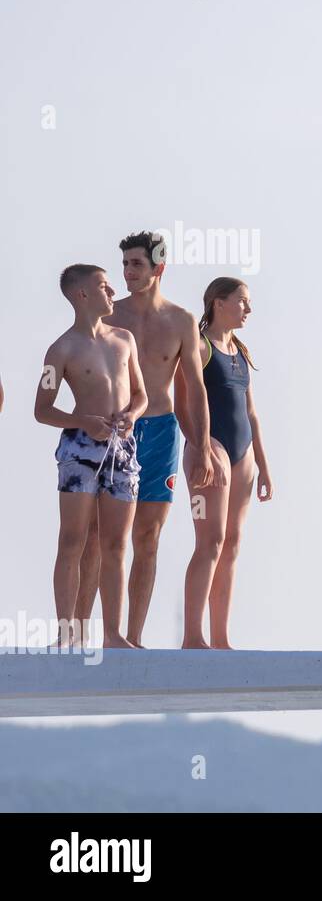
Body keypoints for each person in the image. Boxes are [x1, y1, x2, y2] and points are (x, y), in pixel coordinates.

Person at [77, 231, 218, 648]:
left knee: (148, 538)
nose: (127, 273)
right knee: (96, 537)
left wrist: (205, 446)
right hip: (113, 433)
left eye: (136, 264)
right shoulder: (109, 315)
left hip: (160, 431)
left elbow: (194, 386)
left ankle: (132, 639)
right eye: (124, 264)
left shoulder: (181, 321)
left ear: (159, 268)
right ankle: (82, 634)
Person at [34, 265, 147, 649]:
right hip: (80, 450)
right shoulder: (60, 349)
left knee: (116, 544)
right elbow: (42, 409)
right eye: (104, 286)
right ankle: (66, 634)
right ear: (82, 294)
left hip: (121, 449)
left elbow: (141, 395)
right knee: (72, 540)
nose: (113, 291)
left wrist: (131, 415)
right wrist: (81, 421)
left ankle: (113, 634)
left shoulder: (125, 340)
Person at [182, 278, 273, 649]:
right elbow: (181, 404)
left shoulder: (239, 349)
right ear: (218, 303)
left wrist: (264, 466)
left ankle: (220, 638)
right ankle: (192, 636)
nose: (248, 309)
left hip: (244, 455)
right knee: (210, 541)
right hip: (210, 451)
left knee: (232, 543)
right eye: (242, 302)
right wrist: (202, 448)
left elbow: (251, 412)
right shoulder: (198, 345)